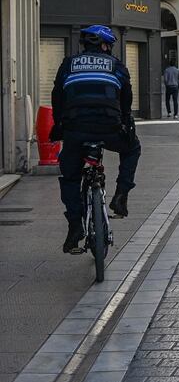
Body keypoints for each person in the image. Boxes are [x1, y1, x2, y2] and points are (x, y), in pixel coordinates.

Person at [49, 25, 141, 254]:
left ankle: (74, 227)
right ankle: (121, 195)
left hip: (76, 130)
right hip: (108, 128)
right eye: (108, 45)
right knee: (132, 149)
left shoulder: (68, 64)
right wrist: (126, 122)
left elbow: (57, 97)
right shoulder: (116, 66)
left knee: (70, 177)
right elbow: (126, 98)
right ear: (103, 45)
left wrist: (59, 125)